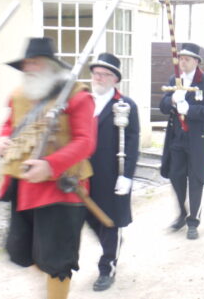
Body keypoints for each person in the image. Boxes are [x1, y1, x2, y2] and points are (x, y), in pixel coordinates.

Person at [0, 37, 96, 299]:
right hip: (24, 186)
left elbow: (86, 142)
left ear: (51, 66)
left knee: (57, 261)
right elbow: (10, 125)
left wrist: (51, 166)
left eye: (36, 63)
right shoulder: (20, 95)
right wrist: (2, 139)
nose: (29, 68)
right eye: (27, 64)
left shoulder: (78, 95)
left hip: (62, 189)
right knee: (28, 254)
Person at [87, 53, 140, 291]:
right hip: (83, 174)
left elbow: (132, 141)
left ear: (115, 79)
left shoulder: (126, 105)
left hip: (111, 173)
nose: (99, 77)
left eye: (106, 74)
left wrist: (127, 175)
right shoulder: (82, 101)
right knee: (89, 218)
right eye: (96, 73)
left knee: (110, 222)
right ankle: (113, 244)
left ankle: (107, 267)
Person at [159, 43, 204, 240]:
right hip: (178, 137)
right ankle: (182, 214)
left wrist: (190, 110)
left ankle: (193, 221)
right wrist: (173, 101)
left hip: (198, 139)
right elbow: (162, 106)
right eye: (180, 58)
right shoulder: (173, 80)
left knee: (195, 180)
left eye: (186, 59)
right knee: (175, 176)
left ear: (196, 61)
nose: (182, 62)